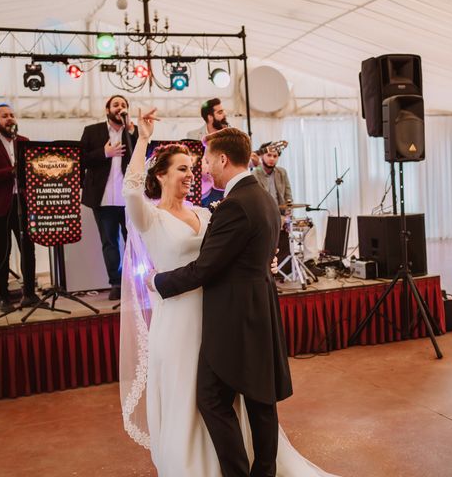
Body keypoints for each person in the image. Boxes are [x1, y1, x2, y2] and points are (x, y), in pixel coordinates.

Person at [120, 109, 337, 477]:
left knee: (217, 399)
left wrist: (158, 282)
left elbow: (217, 260)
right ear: (160, 175)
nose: (194, 173)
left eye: (196, 165)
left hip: (214, 317)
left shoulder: (208, 214)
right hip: (178, 321)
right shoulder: (151, 218)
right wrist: (141, 139)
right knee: (190, 399)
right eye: (183, 168)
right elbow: (130, 190)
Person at [0, 103, 42, 313]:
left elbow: (31, 172)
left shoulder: (24, 142)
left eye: (12, 115)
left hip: (22, 202)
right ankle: (4, 297)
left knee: (28, 249)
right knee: (3, 250)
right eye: (4, 116)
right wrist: (14, 170)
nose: (10, 118)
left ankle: (29, 294)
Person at [80, 95, 138, 300]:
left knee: (134, 241)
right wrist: (104, 153)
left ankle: (135, 282)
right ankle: (116, 282)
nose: (119, 107)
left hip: (129, 198)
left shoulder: (133, 132)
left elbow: (143, 158)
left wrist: (133, 132)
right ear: (107, 110)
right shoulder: (92, 131)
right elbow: (80, 160)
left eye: (123, 105)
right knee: (110, 242)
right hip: (103, 199)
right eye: (116, 104)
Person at [252, 142, 293, 211]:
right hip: (264, 214)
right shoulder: (254, 174)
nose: (272, 159)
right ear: (261, 156)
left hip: (281, 214)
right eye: (269, 155)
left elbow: (288, 196)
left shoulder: (282, 172)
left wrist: (289, 211)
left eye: (275, 156)